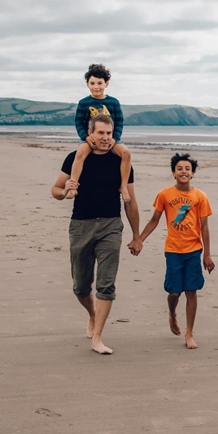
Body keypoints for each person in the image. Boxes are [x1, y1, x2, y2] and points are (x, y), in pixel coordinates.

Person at [51, 113, 143, 355]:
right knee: (81, 287)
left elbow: (131, 201)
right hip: (80, 225)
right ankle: (92, 313)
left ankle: (98, 338)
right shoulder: (75, 157)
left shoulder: (120, 161)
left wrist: (137, 236)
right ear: (90, 133)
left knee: (106, 284)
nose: (105, 138)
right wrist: (65, 191)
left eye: (109, 133)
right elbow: (56, 190)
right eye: (100, 133)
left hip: (111, 225)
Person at [139, 153, 215, 349]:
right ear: (173, 173)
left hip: (193, 250)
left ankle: (189, 333)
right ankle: (172, 313)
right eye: (179, 168)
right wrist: (139, 239)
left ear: (193, 173)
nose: (184, 172)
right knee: (174, 292)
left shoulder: (200, 196)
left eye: (187, 169)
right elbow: (154, 220)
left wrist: (207, 254)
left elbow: (204, 227)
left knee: (191, 291)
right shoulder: (165, 194)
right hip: (173, 250)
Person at [64, 64, 133, 203]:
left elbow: (119, 122)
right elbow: (79, 123)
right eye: (92, 83)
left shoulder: (113, 102)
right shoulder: (83, 103)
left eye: (100, 83)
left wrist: (115, 138)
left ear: (106, 83)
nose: (96, 87)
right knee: (80, 153)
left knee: (126, 153)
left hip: (111, 138)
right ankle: (73, 186)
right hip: (90, 138)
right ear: (87, 84)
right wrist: (85, 137)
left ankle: (124, 186)